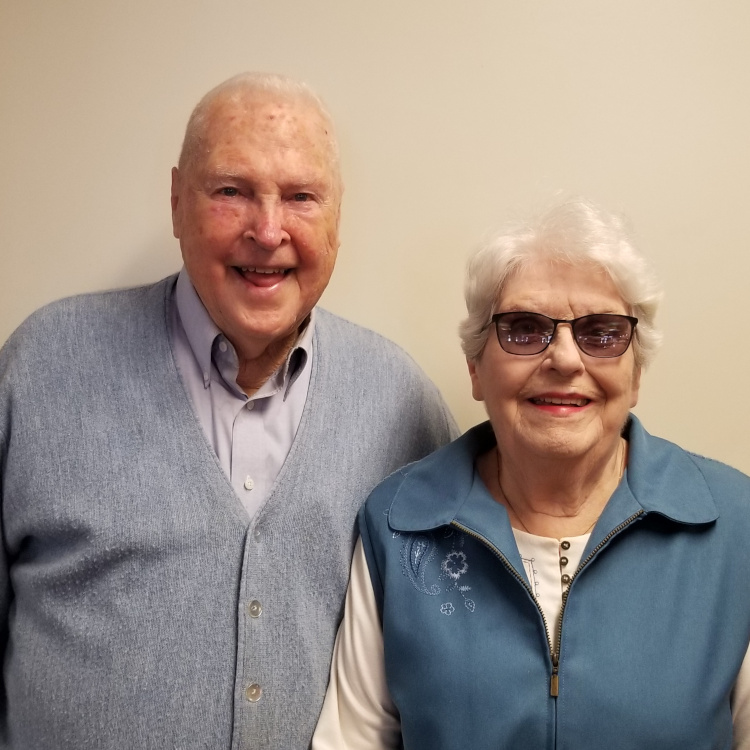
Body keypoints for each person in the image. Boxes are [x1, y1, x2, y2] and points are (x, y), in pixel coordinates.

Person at [0, 72, 457, 749]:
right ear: (177, 202)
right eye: (231, 192)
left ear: (337, 219)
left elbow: (441, 658)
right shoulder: (43, 366)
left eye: (301, 197)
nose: (267, 231)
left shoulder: (402, 404)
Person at [313, 197, 750, 749]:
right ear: (475, 367)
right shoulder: (398, 523)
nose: (565, 360)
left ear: (636, 372)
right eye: (523, 329)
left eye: (601, 332)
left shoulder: (735, 526)